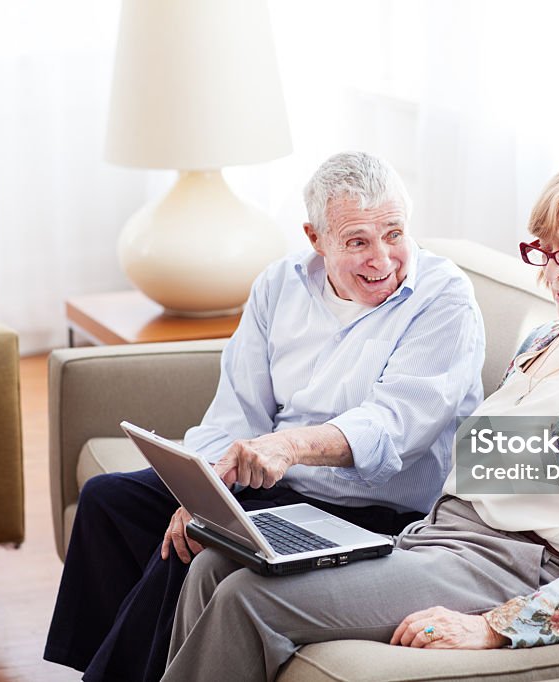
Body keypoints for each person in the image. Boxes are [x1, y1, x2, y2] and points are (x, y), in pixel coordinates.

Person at [160, 158, 559, 682]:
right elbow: (484, 483)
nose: (553, 272)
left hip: (513, 566)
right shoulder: (546, 343)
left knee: (247, 598)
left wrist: (495, 626)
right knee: (214, 566)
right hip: (437, 541)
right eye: (544, 251)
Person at [43, 151, 486, 681]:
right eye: (357, 242)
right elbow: (236, 411)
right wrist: (203, 488)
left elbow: (396, 425)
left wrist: (289, 447)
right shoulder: (281, 285)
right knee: (108, 501)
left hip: (370, 508)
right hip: (272, 482)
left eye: (394, 233)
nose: (383, 259)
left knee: (193, 546)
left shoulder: (444, 299)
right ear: (315, 238)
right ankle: (103, 667)